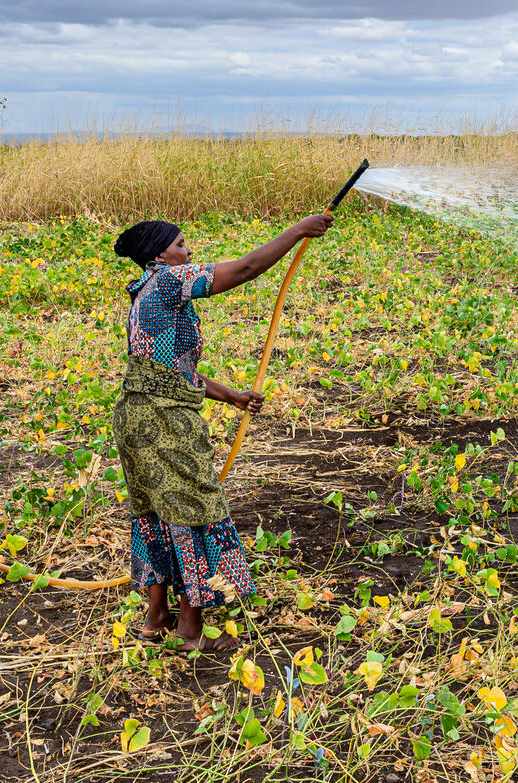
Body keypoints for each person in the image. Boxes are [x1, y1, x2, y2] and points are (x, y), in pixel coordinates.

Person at [111, 213, 334, 652]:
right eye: (179, 244)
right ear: (159, 254)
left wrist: (230, 395)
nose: (187, 251)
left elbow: (172, 368)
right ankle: (190, 631)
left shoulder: (143, 293)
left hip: (134, 417)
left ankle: (155, 619)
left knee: (155, 515)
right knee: (196, 511)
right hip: (165, 421)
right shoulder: (170, 281)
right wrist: (297, 231)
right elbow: (246, 269)